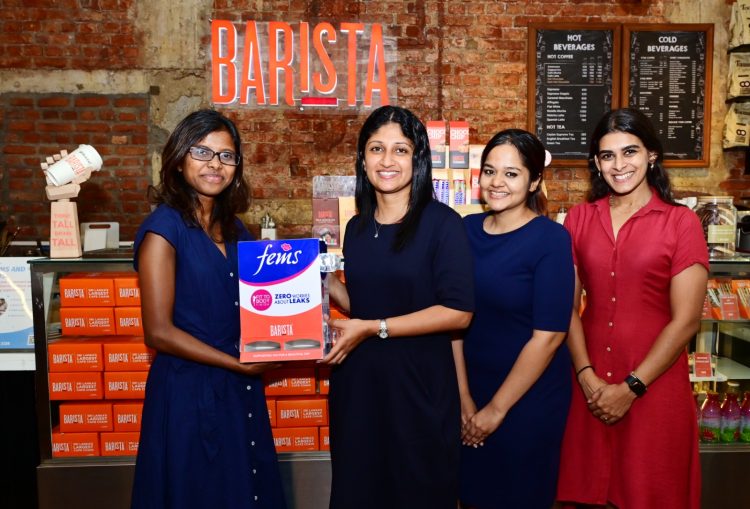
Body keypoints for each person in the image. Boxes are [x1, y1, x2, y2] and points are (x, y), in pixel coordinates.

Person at [130, 109, 286, 509]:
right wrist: (236, 365)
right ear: (179, 159)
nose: (215, 164)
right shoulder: (163, 230)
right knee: (199, 491)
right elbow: (158, 332)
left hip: (236, 388)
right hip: (188, 389)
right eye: (202, 152)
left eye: (226, 156)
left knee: (242, 488)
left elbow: (263, 296)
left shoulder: (234, 229)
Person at [323, 105, 475, 509]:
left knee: (418, 491)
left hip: (419, 388)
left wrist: (373, 327)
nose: (387, 160)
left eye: (400, 150)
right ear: (362, 159)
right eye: (376, 149)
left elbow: (458, 311)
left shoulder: (443, 224)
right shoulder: (356, 228)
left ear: (417, 158)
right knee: (359, 492)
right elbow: (368, 304)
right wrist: (325, 285)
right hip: (360, 389)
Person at [556, 108, 708, 509]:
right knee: (584, 493)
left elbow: (686, 320)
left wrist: (632, 387)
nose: (619, 165)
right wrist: (586, 376)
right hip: (587, 384)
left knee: (650, 493)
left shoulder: (680, 222)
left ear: (651, 154)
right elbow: (565, 306)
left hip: (654, 387)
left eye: (630, 152)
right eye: (608, 155)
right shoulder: (579, 219)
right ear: (596, 162)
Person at [455, 129, 575, 509]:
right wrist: (464, 399)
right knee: (471, 496)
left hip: (528, 399)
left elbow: (549, 337)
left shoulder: (551, 240)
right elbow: (452, 318)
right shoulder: (464, 231)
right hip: (470, 389)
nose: (496, 182)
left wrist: (495, 410)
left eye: (511, 173)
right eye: (490, 171)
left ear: (534, 180)